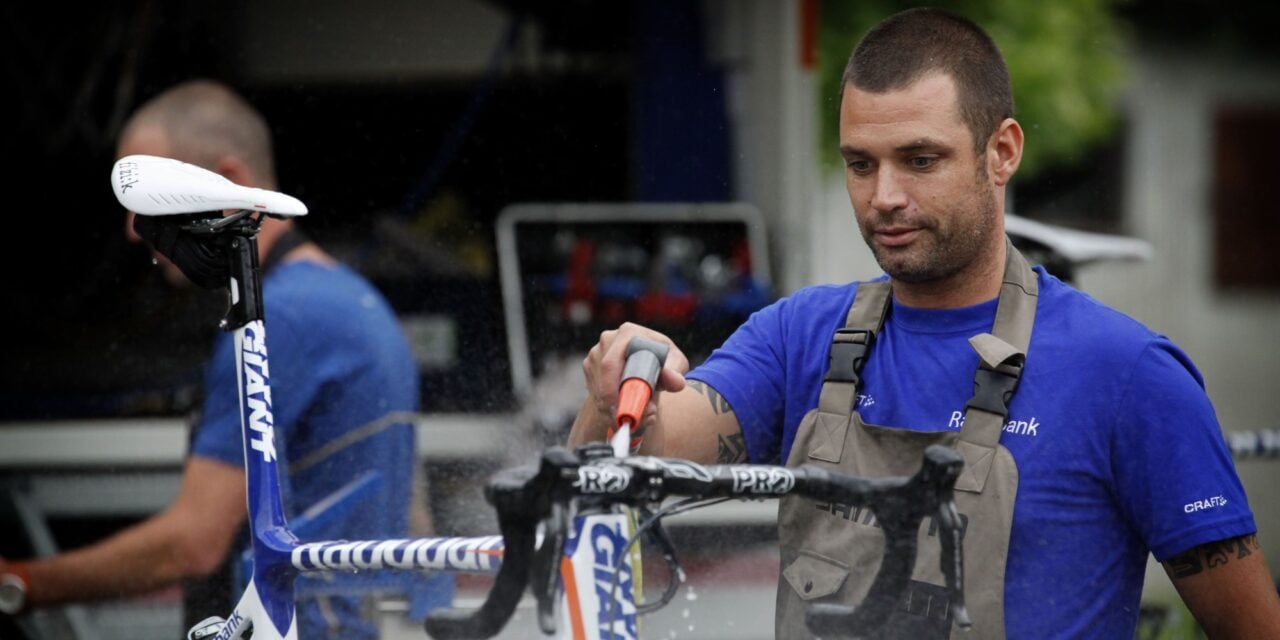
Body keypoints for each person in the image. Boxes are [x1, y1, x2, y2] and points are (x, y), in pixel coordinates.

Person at [569, 8, 1280, 639]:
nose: (883, 196)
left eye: (919, 160)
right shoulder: (798, 337)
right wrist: (619, 385)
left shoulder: (1129, 375)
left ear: (1002, 152)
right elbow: (619, 464)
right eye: (860, 164)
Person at [0, 79, 426, 639]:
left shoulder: (278, 320)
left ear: (230, 180)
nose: (133, 229)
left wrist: (21, 583)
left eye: (148, 194)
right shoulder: (349, 298)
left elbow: (193, 544)